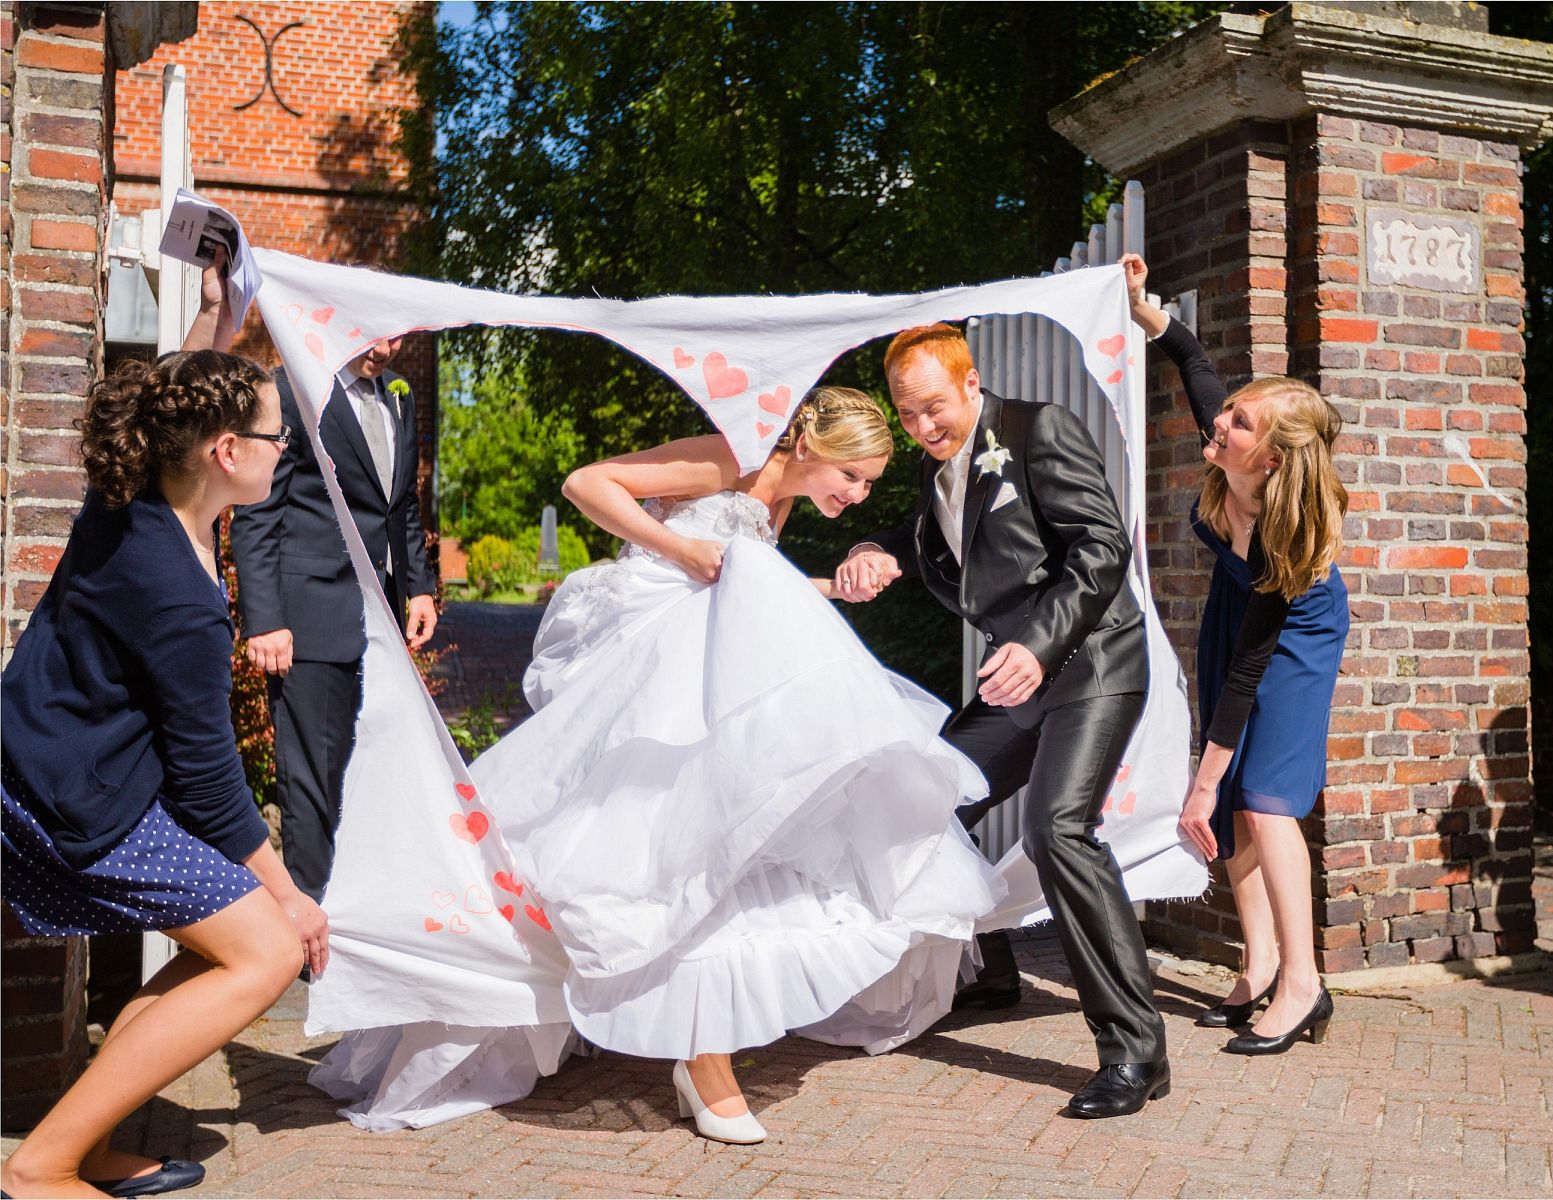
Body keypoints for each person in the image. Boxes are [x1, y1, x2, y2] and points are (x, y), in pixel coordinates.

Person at [312, 387, 1002, 1143]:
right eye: (857, 477)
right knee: (651, 843)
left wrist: (829, 587)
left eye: (869, 484)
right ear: (811, 449)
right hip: (662, 668)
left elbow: (743, 577)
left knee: (736, 837)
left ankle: (705, 1046)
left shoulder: (781, 501)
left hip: (719, 668)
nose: (860, 494)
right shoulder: (732, 457)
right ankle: (695, 1055)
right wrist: (682, 549)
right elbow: (588, 484)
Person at [0, 254, 330, 1199]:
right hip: (77, 796)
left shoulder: (134, 500)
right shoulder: (182, 601)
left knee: (223, 940)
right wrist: (291, 893)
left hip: (40, 759)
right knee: (265, 948)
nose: (285, 449)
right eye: (274, 436)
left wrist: (217, 323)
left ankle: (84, 1139)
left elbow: (165, 408)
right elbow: (209, 782)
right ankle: (41, 1168)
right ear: (226, 452)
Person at [833, 323, 1168, 1119]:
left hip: (1091, 665)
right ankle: (989, 968)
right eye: (907, 415)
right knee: (928, 798)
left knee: (1059, 831)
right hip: (1013, 684)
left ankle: (1135, 1052)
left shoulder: (1036, 430)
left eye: (934, 409)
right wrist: (878, 546)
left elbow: (1099, 547)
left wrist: (1039, 644)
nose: (921, 429)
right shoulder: (933, 467)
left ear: (972, 383)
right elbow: (939, 544)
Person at [1123, 252, 1351, 1055]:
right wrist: (1145, 310)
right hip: (1236, 604)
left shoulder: (1292, 536)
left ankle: (1304, 982)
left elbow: (1251, 673)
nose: (1221, 424)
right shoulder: (1237, 449)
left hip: (1297, 628)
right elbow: (1192, 356)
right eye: (1232, 414)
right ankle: (1258, 968)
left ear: (1274, 459)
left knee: (1264, 797)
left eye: (1241, 424)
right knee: (1235, 805)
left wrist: (1200, 776)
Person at [229, 334, 438, 902]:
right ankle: (312, 930)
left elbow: (401, 505)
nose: (387, 347)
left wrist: (418, 587)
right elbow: (255, 511)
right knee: (313, 783)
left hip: (383, 621)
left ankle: (356, 913)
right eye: (375, 334)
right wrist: (265, 619)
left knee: (366, 771)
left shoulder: (399, 397)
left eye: (397, 335)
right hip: (309, 621)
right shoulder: (291, 392)